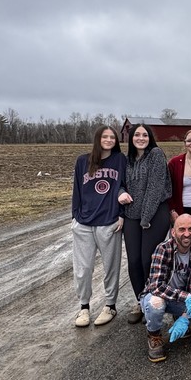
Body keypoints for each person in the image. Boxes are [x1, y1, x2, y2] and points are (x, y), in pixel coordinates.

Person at [70, 125, 127, 328]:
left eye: (112, 137)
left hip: (109, 222)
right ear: (98, 139)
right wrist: (75, 217)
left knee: (111, 267)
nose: (109, 140)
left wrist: (122, 215)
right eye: (105, 136)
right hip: (84, 223)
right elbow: (77, 190)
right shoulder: (83, 161)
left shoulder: (120, 160)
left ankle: (110, 305)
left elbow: (125, 186)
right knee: (83, 268)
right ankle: (84, 307)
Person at [141, 213, 191, 362]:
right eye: (181, 229)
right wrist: (186, 297)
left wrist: (185, 317)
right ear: (173, 232)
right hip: (160, 297)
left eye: (190, 229)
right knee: (156, 304)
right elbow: (156, 286)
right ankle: (154, 336)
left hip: (181, 301)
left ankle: (179, 316)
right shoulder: (163, 249)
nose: (186, 234)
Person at [119, 123, 172, 324]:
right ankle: (141, 301)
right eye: (137, 135)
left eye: (145, 135)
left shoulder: (156, 155)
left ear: (150, 138)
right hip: (132, 215)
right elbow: (119, 184)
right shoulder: (127, 160)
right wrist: (120, 193)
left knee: (147, 260)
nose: (141, 138)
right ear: (131, 138)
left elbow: (155, 189)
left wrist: (146, 218)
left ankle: (152, 301)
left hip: (155, 214)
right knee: (133, 261)